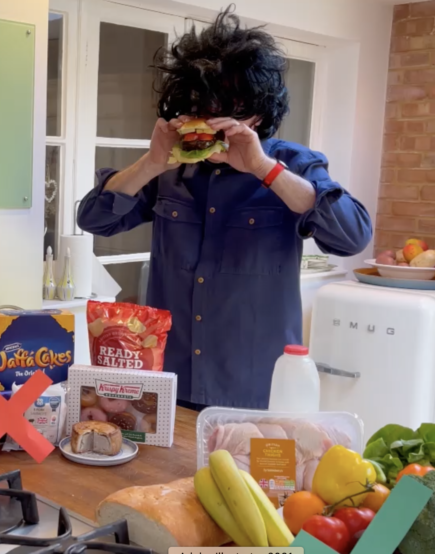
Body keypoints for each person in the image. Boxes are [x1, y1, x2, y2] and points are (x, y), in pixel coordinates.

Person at [76, 9, 372, 411]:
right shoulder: (170, 168)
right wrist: (151, 163)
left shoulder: (293, 163)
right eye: (202, 104)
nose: (213, 119)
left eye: (228, 107)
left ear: (259, 112)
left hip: (257, 391)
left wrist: (264, 169)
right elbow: (95, 219)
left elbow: (353, 237)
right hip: (167, 383)